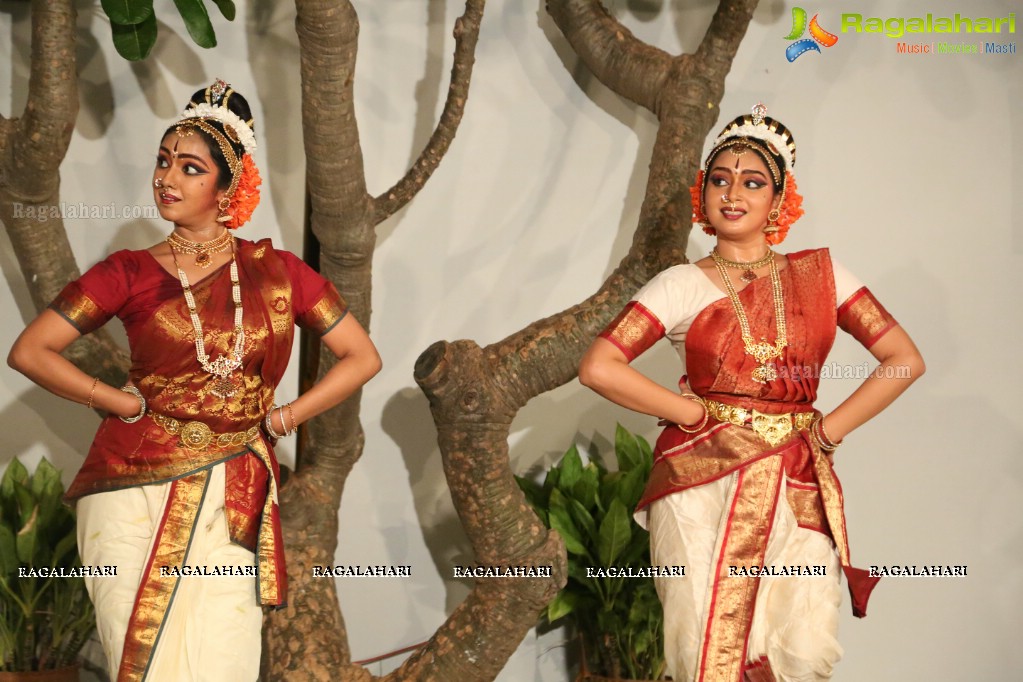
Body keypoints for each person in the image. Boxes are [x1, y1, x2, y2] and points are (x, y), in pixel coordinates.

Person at [7, 79, 382, 681]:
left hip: (233, 489)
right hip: (130, 488)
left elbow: (361, 356)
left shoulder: (281, 274)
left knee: (222, 658)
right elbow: (30, 351)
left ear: (227, 185)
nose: (167, 179)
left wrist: (285, 417)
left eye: (189, 167)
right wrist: (116, 401)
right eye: (162, 162)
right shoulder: (126, 271)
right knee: (142, 661)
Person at [578, 104, 924, 681]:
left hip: (795, 478)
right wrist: (690, 411)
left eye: (752, 181)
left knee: (804, 649)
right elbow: (600, 366)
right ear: (703, 193)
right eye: (719, 179)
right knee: (703, 653)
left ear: (779, 200)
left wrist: (827, 428)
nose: (732, 192)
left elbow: (902, 360)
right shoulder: (681, 283)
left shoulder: (826, 277)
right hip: (699, 481)